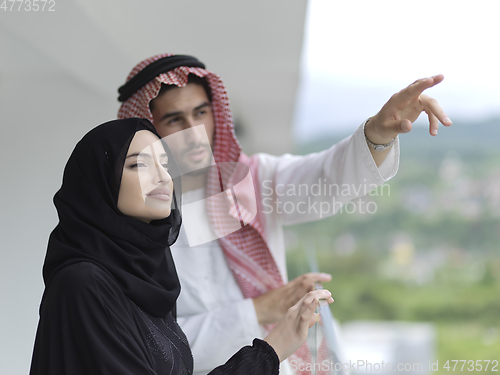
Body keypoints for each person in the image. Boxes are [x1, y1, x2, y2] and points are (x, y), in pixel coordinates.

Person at [117, 54, 452, 374]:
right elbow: (150, 345)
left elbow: (325, 178)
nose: (194, 131)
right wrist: (259, 310)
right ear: (147, 130)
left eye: (201, 113)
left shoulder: (250, 179)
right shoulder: (131, 220)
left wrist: (378, 134)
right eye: (175, 119)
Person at [29, 118, 334, 375]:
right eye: (139, 165)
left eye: (164, 163)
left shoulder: (148, 277)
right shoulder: (84, 284)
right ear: (99, 185)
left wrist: (272, 350)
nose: (162, 177)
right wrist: (269, 352)